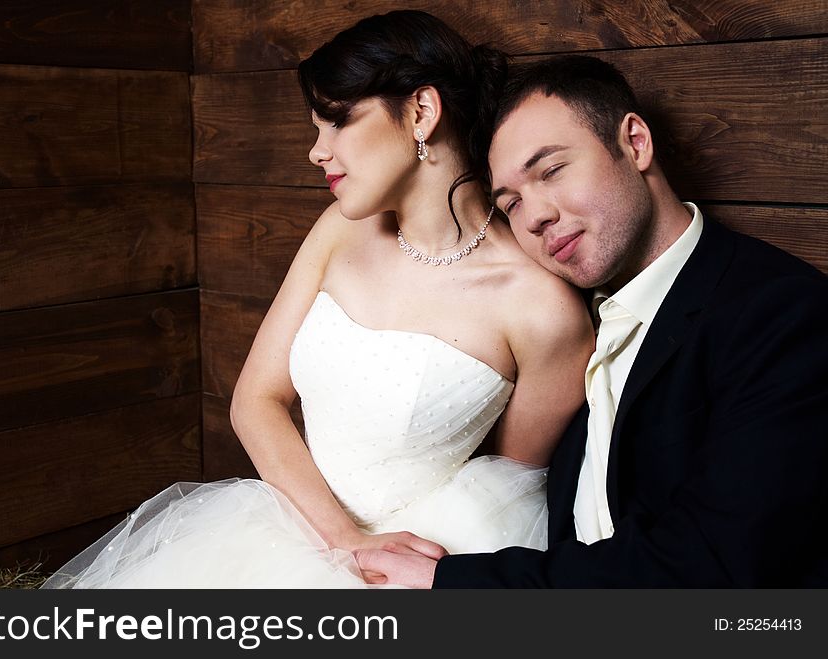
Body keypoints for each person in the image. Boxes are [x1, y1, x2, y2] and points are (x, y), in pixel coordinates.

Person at [41, 12, 592, 588]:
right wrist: (345, 541)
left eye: (336, 122)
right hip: (289, 528)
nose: (317, 152)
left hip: (422, 554)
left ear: (422, 113)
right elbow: (255, 400)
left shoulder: (543, 311)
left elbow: (505, 488)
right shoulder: (339, 231)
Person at [355, 54, 828, 588]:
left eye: (551, 171)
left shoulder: (782, 314)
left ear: (635, 143)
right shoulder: (561, 320)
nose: (534, 216)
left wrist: (452, 588)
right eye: (509, 203)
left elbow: (713, 569)